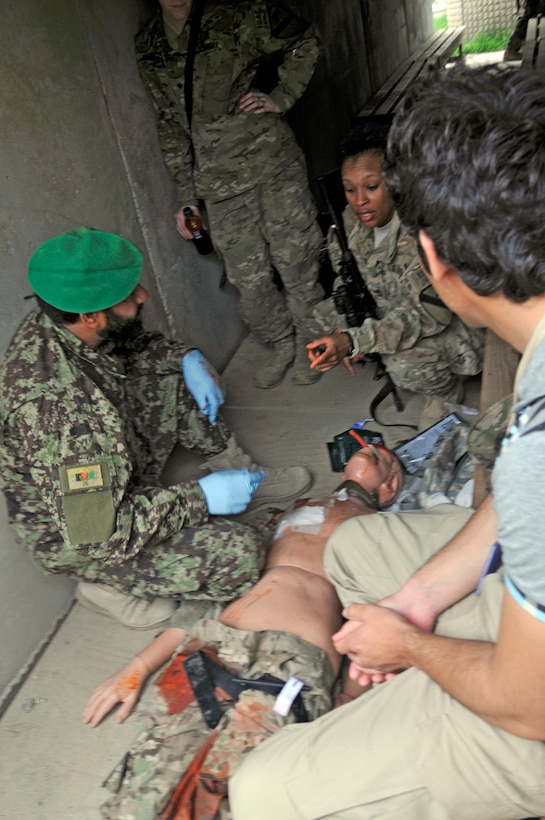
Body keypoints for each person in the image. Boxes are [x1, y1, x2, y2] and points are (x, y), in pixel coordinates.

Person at [229, 65, 545, 820]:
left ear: (432, 258)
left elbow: (528, 706)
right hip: (524, 617)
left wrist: (411, 649)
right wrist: (415, 600)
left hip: (531, 710)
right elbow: (514, 509)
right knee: (346, 552)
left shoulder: (536, 452)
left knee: (260, 790)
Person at [0, 226, 313, 630]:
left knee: (169, 369)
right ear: (91, 316)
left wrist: (186, 357)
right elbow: (101, 534)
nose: (143, 295)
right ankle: (104, 587)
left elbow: (130, 344)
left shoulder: (67, 315)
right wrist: (200, 498)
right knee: (242, 555)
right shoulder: (63, 418)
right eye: (130, 295)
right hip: (84, 536)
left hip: (107, 472)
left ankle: (236, 471)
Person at [82, 443, 403, 818]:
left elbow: (381, 622)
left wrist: (348, 698)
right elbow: (214, 596)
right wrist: (138, 666)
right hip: (217, 643)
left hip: (292, 665)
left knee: (233, 792)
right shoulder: (299, 508)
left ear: (391, 486)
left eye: (381, 457)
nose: (368, 450)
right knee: (148, 778)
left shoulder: (386, 531)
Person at [135, 0, 325, 389]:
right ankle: (281, 341)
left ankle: (314, 341)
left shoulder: (236, 14)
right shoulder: (149, 45)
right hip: (218, 185)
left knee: (297, 261)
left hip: (271, 164)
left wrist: (282, 95)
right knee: (248, 278)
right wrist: (186, 196)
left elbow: (304, 39)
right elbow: (170, 125)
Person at [304, 122, 484, 430]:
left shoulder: (421, 230)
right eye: (350, 189)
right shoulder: (349, 222)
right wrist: (344, 324)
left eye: (372, 187)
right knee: (319, 316)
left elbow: (428, 316)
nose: (359, 200)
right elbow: (343, 278)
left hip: (452, 320)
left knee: (403, 363)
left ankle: (444, 393)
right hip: (393, 304)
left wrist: (354, 341)